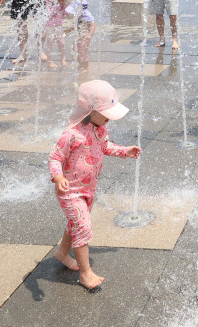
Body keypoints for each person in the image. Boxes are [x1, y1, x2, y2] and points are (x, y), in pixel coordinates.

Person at [49, 80, 139, 289]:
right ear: (90, 110)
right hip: (70, 191)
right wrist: (58, 177)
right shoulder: (71, 134)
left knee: (76, 224)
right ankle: (85, 273)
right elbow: (54, 158)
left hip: (88, 189)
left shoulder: (100, 129)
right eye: (105, 112)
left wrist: (124, 151)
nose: (109, 117)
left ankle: (62, 253)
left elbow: (105, 147)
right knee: (82, 226)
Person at [74, 0, 96, 73]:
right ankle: (80, 64)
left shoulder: (87, 15)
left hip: (85, 36)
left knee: (83, 52)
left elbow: (93, 25)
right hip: (78, 36)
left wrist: (89, 34)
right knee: (76, 51)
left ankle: (86, 67)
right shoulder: (77, 14)